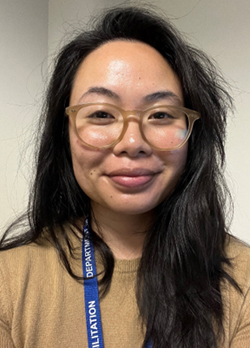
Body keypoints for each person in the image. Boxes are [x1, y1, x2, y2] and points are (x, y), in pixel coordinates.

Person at [0, 5, 249, 348]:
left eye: (161, 114)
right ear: (64, 134)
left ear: (195, 135)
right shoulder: (8, 282)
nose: (133, 143)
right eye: (101, 114)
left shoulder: (243, 281)